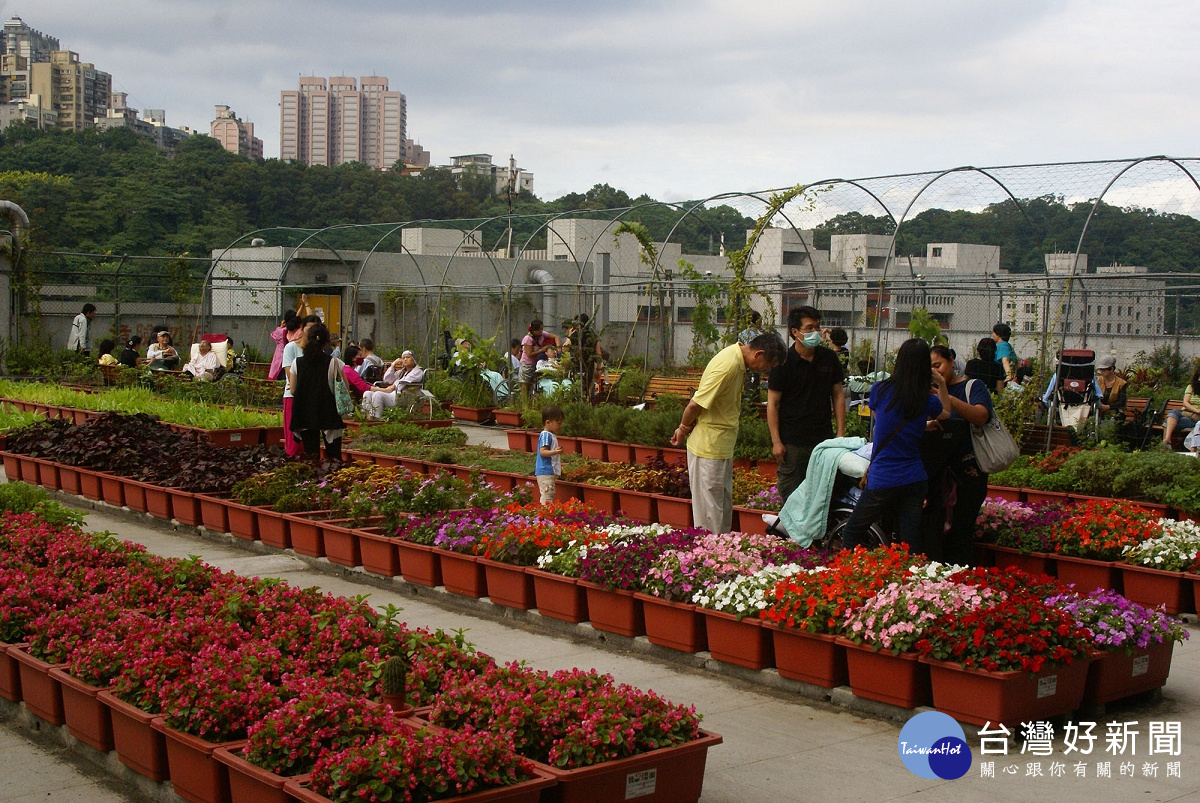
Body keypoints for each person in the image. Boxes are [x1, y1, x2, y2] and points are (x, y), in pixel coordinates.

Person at [670, 332, 787, 534]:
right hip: (708, 448)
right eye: (768, 366)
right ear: (758, 354)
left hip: (720, 447)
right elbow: (694, 404)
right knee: (710, 513)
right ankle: (709, 556)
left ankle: (721, 553)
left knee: (721, 509)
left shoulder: (737, 360)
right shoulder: (728, 366)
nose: (766, 372)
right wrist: (682, 428)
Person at [842, 338, 950, 552]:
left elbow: (882, 422)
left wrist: (919, 424)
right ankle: (911, 580)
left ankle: (846, 572)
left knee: (852, 531)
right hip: (914, 477)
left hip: (883, 476)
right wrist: (942, 384)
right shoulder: (925, 397)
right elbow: (946, 413)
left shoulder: (881, 390)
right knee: (910, 539)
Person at [767, 306, 846, 502]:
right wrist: (776, 442)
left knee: (823, 494)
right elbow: (773, 404)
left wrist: (840, 434)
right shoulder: (783, 363)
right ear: (795, 332)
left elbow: (837, 396)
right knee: (792, 492)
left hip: (823, 438)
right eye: (809, 328)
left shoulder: (828, 358)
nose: (815, 333)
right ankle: (790, 533)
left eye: (817, 327)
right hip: (793, 441)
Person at [931, 344, 992, 565]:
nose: (936, 372)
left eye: (938, 365)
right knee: (935, 528)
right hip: (937, 472)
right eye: (930, 368)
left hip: (969, 470)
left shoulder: (972, 386)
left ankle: (962, 576)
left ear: (952, 361)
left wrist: (943, 394)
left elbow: (981, 415)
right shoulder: (928, 391)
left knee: (962, 528)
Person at [287, 322, 344, 462]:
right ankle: (332, 480)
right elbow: (343, 389)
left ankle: (312, 482)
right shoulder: (333, 362)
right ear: (325, 343)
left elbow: (293, 389)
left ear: (308, 339)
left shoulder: (297, 362)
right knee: (333, 456)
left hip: (305, 414)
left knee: (311, 456)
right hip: (329, 414)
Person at [362, 351, 426, 419]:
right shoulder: (402, 372)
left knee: (378, 395)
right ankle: (366, 417)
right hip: (395, 394)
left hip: (405, 397)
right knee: (367, 393)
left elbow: (400, 385)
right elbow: (387, 379)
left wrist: (389, 387)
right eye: (403, 358)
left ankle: (376, 419)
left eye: (408, 357)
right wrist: (393, 365)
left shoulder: (418, 371)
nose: (405, 359)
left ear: (414, 359)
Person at [280, 316, 307, 457]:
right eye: (309, 328)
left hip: (311, 398)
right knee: (294, 439)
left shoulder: (318, 351)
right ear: (302, 329)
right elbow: (291, 379)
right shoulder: (291, 347)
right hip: (293, 396)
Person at [1163, 367, 1200, 451]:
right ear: (1198, 378)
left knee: (1167, 422)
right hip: (1187, 412)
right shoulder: (1191, 387)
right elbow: (1185, 402)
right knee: (1173, 412)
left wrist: (1197, 412)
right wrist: (1195, 410)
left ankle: (1166, 443)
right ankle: (1168, 439)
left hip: (1196, 419)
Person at [519, 319, 559, 396]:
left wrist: (558, 348)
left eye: (542, 328)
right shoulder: (528, 339)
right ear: (534, 330)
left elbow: (555, 337)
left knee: (533, 385)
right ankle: (524, 406)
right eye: (539, 329)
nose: (541, 331)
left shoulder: (541, 334)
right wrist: (542, 350)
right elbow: (529, 354)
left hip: (534, 363)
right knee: (525, 386)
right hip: (526, 365)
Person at [535, 405, 565, 504]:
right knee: (547, 495)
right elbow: (543, 452)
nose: (560, 426)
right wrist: (555, 452)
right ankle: (545, 515)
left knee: (549, 494)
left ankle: (546, 515)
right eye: (558, 423)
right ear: (548, 422)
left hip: (548, 471)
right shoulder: (546, 435)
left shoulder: (549, 435)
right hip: (545, 470)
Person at [1095, 355, 1127, 420]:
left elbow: (1122, 402)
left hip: (1115, 412)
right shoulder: (1097, 380)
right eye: (1100, 370)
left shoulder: (1121, 383)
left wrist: (1108, 407)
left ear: (1111, 369)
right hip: (1099, 412)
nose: (1101, 372)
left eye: (1103, 370)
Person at [269, 311, 297, 381]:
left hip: (280, 358)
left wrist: (280, 327)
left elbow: (273, 334)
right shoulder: (296, 331)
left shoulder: (282, 331)